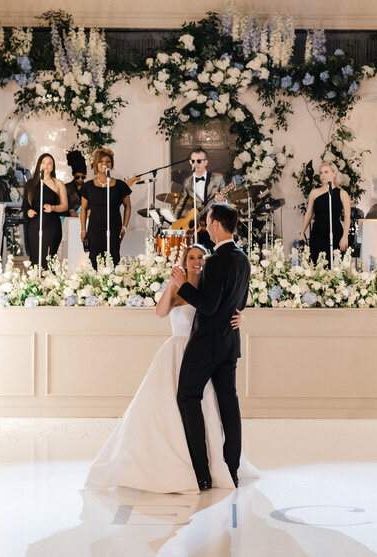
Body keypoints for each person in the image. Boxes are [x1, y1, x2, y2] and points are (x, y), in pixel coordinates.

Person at [85, 244, 258, 494]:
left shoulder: (211, 285)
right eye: (192, 258)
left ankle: (211, 465)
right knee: (170, 405)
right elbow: (160, 312)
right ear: (184, 261)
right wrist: (172, 284)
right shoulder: (178, 286)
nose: (197, 261)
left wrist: (241, 316)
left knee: (207, 407)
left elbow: (225, 307)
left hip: (204, 354)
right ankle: (178, 462)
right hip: (177, 352)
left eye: (201, 257)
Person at [170, 202, 251, 491]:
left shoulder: (217, 261)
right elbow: (240, 301)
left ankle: (202, 474)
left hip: (207, 344)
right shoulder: (243, 259)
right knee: (229, 404)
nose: (206, 226)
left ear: (217, 224)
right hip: (230, 343)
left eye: (207, 222)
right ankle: (232, 470)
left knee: (187, 396)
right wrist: (239, 314)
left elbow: (208, 304)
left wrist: (183, 286)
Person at [80, 148, 132, 268]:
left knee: (113, 259)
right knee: (94, 260)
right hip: (94, 229)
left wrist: (124, 227)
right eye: (101, 161)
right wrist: (83, 230)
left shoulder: (120, 185)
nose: (105, 164)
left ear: (112, 164)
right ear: (96, 165)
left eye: (108, 161)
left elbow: (128, 206)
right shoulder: (88, 186)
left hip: (114, 228)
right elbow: (83, 209)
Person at [299, 161, 352, 265]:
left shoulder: (342, 194)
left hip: (336, 234)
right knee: (317, 266)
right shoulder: (314, 193)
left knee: (334, 266)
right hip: (317, 235)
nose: (323, 175)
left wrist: (345, 236)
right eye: (321, 173)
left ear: (334, 173)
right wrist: (302, 232)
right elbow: (309, 214)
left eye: (326, 172)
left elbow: (347, 217)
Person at [23, 153, 69, 269]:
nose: (46, 166)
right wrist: (28, 211)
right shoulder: (30, 184)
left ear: (53, 167)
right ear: (39, 165)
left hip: (51, 225)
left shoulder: (58, 183)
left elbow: (65, 206)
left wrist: (53, 208)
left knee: (49, 259)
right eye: (43, 162)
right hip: (34, 225)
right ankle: (36, 284)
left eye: (49, 163)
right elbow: (25, 205)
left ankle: (49, 284)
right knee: (35, 258)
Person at [172, 146, 227, 227]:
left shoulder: (218, 178)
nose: (195, 164)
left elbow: (228, 201)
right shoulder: (188, 182)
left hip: (215, 222)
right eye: (192, 161)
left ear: (206, 162)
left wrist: (223, 201)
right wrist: (172, 223)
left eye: (199, 161)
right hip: (197, 225)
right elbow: (180, 206)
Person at [63, 150, 87, 216]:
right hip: (68, 222)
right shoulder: (65, 188)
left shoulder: (88, 188)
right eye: (77, 177)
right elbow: (60, 207)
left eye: (83, 177)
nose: (80, 179)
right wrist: (70, 211)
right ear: (73, 175)